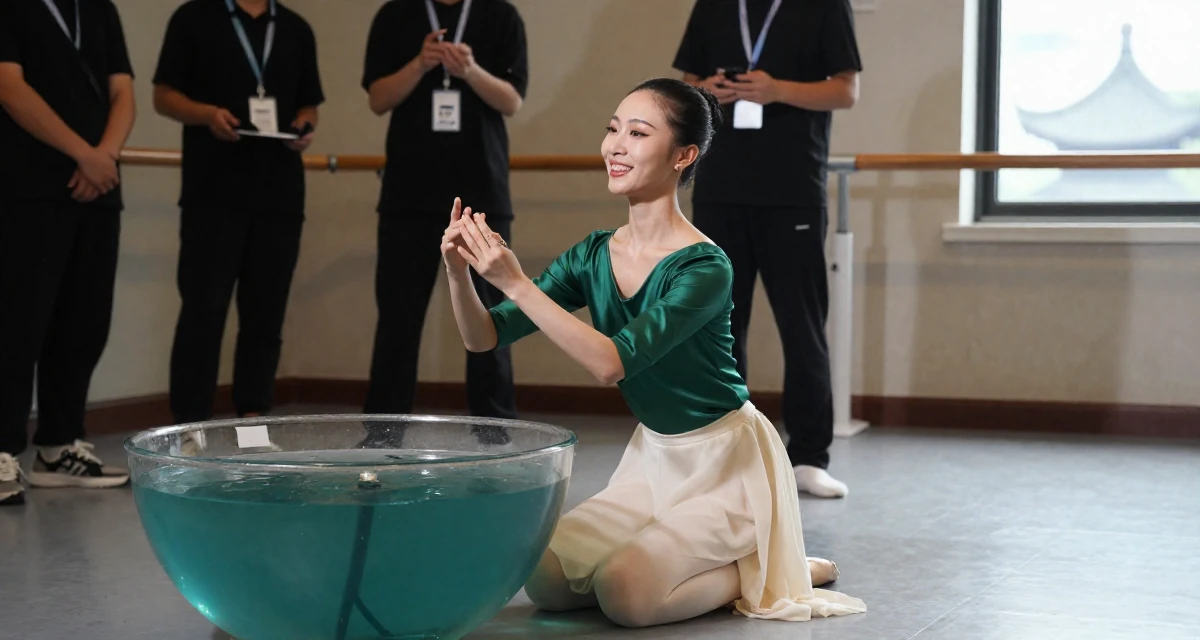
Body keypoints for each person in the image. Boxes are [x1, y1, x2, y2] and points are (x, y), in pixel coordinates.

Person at [442, 78, 866, 627]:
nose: (616, 145)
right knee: (545, 576)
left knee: (625, 594)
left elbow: (609, 363)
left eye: (638, 133)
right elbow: (484, 338)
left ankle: (776, 566)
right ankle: (716, 559)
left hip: (726, 466)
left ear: (683, 155)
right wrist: (459, 274)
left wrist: (518, 283)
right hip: (655, 460)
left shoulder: (704, 267)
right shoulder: (592, 254)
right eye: (613, 129)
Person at [672, 0, 863, 498]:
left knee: (801, 327)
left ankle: (808, 457)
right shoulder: (714, 7)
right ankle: (724, 452)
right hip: (719, 188)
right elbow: (687, 85)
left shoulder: (825, 7)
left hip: (791, 190)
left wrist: (775, 89)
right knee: (718, 328)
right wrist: (705, 92)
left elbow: (845, 90)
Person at [152, 0, 324, 426]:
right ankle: (190, 424)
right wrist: (207, 114)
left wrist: (303, 127)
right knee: (203, 311)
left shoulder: (295, 28)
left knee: (265, 313)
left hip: (280, 194)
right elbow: (164, 97)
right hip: (213, 192)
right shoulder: (193, 18)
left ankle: (253, 417)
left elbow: (309, 105)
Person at [361, 0, 527, 426]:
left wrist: (469, 70)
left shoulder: (501, 15)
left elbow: (511, 101)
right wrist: (420, 64)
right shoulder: (395, 14)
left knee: (492, 315)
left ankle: (495, 432)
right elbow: (378, 99)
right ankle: (383, 431)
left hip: (481, 194)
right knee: (398, 316)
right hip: (407, 195)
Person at [0, 0, 137, 505]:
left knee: (84, 321)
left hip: (98, 186)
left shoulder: (99, 9)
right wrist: (83, 153)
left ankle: (58, 445)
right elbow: (8, 85)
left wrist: (105, 156)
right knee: (17, 322)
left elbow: (123, 91)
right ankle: (1, 448)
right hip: (28, 185)